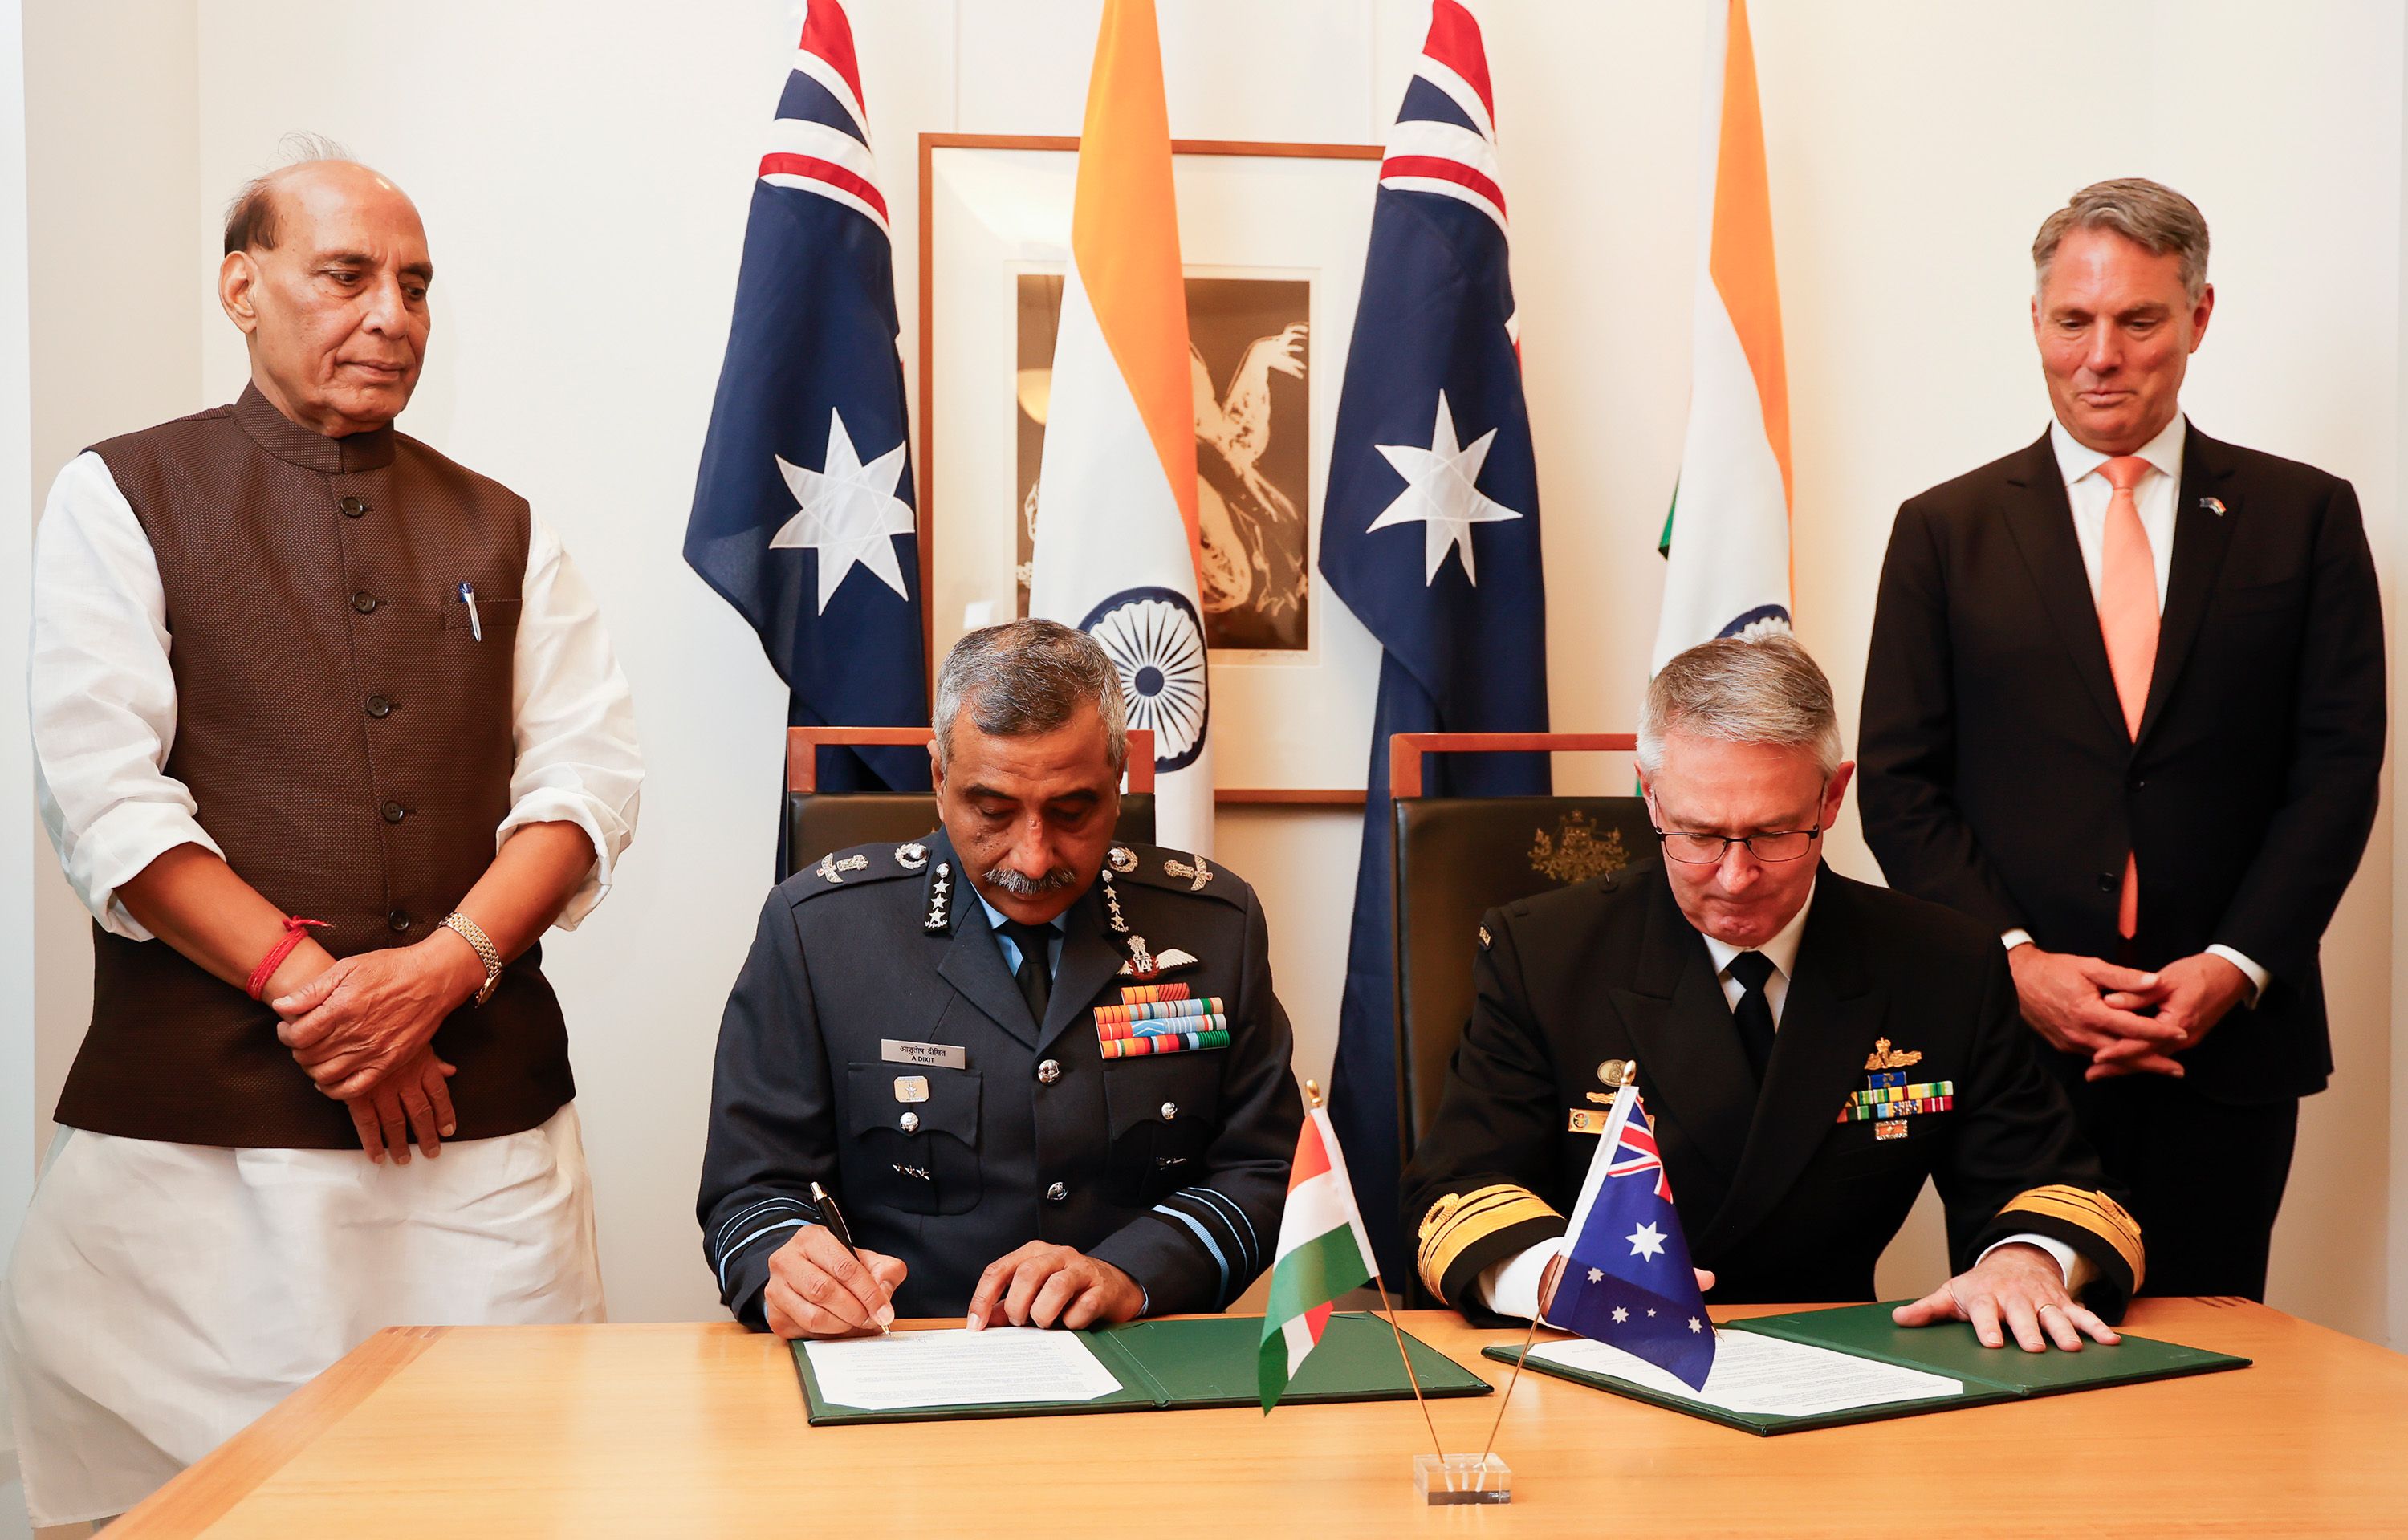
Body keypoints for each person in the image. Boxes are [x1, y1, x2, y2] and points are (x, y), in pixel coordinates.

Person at [0, 145, 642, 1527]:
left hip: (481, 1148)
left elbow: (588, 784)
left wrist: (440, 968)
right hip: (195, 1171)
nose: (393, 314)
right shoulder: (118, 498)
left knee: (504, 1493)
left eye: (415, 285)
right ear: (242, 285)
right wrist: (320, 992)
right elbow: (103, 795)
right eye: (346, 275)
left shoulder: (509, 529)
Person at [1857, 179, 2384, 1300]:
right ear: (2038, 322)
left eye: (2139, 320)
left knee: (2213, 1362)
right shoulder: (1943, 530)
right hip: (2015, 1046)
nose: (2102, 355)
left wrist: (2234, 967)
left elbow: (2337, 770)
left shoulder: (2308, 515)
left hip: (2226, 1045)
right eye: (2073, 320)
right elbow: (1901, 783)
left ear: (2196, 318)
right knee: (2016, 1349)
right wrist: (2017, 964)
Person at [1405, 636, 2143, 1352]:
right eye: (1698, 833)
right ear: (1650, 796)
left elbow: (2051, 1182)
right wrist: (1551, 1277)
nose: (1734, 876)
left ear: (1833, 797)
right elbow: (1461, 1190)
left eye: (1773, 832)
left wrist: (2029, 1261)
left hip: (1843, 1374)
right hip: (1601, 1360)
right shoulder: (1544, 953)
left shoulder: (1943, 961)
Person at [698, 619, 1301, 1337]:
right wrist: (787, 1268)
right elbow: (752, 1187)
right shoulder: (819, 931)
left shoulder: (1212, 924)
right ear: (938, 778)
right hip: (903, 1362)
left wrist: (1133, 1272)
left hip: (1143, 1358)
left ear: (1120, 778)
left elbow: (1265, 1169)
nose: (1035, 856)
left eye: (1072, 811)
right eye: (992, 810)